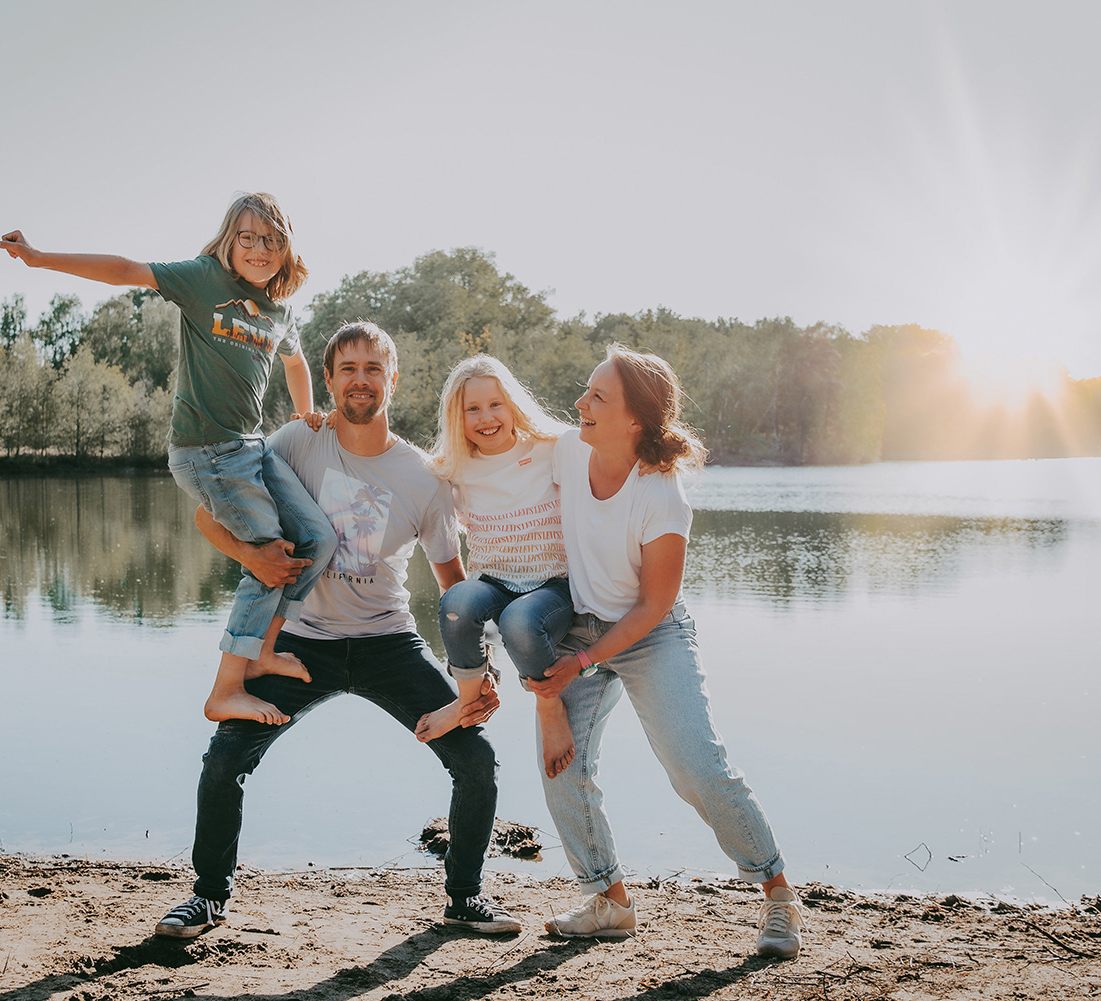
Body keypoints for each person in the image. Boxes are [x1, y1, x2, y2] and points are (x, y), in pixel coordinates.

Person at [152, 322, 521, 939]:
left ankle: (464, 899)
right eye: (348, 368)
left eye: (373, 368)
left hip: (388, 641)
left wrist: (482, 670)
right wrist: (252, 558)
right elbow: (208, 516)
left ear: (392, 379)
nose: (360, 379)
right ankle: (208, 897)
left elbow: (456, 590)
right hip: (299, 644)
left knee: (476, 760)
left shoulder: (423, 477)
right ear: (327, 379)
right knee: (225, 757)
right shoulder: (297, 442)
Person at [0, 193, 335, 727]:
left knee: (318, 539)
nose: (259, 248)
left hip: (250, 447)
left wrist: (306, 411)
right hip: (207, 450)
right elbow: (124, 270)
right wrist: (39, 258)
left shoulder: (280, 310)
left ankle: (263, 649)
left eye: (272, 240)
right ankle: (226, 689)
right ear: (228, 242)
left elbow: (295, 362)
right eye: (247, 237)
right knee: (269, 558)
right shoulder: (204, 279)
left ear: (286, 249)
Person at [529, 345, 807, 958]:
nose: (580, 402)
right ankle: (609, 901)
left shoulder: (661, 494)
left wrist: (582, 662)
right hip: (578, 624)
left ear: (635, 419)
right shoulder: (569, 451)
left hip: (650, 633)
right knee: (561, 767)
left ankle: (779, 895)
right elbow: (497, 444)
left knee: (696, 767)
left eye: (597, 396)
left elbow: (653, 605)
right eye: (586, 390)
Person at [415, 355, 578, 781]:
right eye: (472, 408)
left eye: (495, 405)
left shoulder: (552, 448)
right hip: (493, 582)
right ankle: (468, 699)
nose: (486, 418)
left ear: (513, 405)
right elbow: (396, 467)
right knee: (457, 602)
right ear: (458, 416)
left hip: (552, 584)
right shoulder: (454, 467)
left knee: (518, 622)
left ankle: (548, 705)